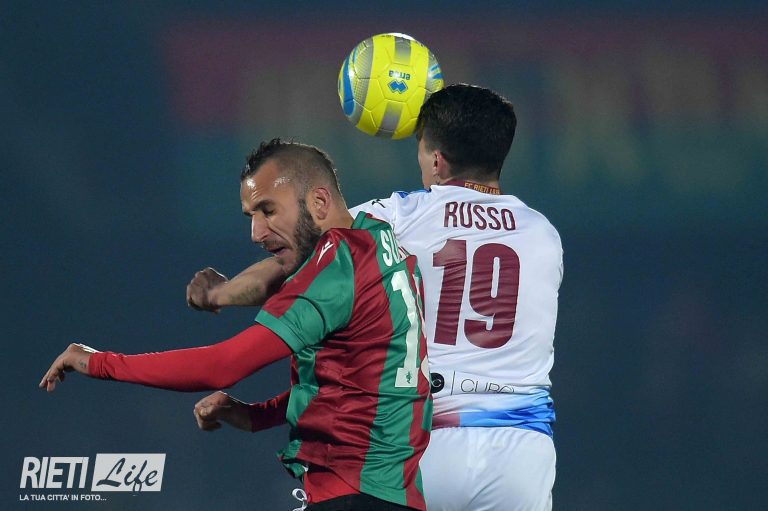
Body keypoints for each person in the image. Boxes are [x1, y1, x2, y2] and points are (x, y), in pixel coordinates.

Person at [189, 84, 563, 511]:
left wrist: (219, 293)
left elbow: (300, 267)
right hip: (520, 453)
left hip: (419, 444)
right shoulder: (543, 234)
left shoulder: (396, 217)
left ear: (437, 160)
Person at [40, 139, 432, 511]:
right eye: (251, 217)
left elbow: (222, 366)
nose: (256, 233)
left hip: (354, 496)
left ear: (318, 201)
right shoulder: (379, 243)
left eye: (268, 210)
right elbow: (356, 384)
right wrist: (254, 415)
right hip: (387, 494)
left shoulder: (336, 269)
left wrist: (98, 362)